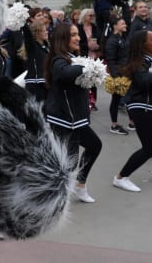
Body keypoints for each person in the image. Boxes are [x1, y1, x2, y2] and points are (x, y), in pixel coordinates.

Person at [43, 22, 102, 203]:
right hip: (63, 119)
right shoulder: (58, 59)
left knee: (94, 146)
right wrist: (87, 67)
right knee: (69, 161)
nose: (78, 38)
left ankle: (79, 184)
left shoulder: (72, 57)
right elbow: (63, 73)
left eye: (78, 34)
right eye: (73, 35)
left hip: (76, 119)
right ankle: (51, 198)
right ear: (63, 39)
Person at [113, 30, 152, 192]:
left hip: (151, 105)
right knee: (149, 147)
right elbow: (143, 81)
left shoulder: (151, 60)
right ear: (143, 45)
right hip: (142, 106)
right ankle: (121, 177)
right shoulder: (140, 61)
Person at [104, 16, 131, 135]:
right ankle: (114, 125)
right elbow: (110, 60)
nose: (125, 25)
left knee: (130, 98)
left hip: (127, 72)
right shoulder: (112, 41)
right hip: (119, 74)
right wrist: (116, 77)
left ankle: (132, 123)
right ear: (115, 26)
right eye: (122, 23)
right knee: (116, 100)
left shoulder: (123, 37)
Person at [78, 8, 103, 111]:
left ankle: (93, 101)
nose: (92, 17)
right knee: (84, 79)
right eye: (90, 15)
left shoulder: (95, 27)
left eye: (93, 15)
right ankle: (84, 101)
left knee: (93, 78)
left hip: (94, 56)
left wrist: (98, 47)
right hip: (83, 56)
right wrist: (87, 45)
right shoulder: (78, 28)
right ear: (84, 16)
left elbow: (101, 40)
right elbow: (77, 43)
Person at [20, 20, 49, 102]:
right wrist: (23, 21)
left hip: (45, 83)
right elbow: (27, 35)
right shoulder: (32, 46)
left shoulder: (46, 46)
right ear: (37, 32)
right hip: (35, 83)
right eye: (44, 30)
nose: (46, 32)